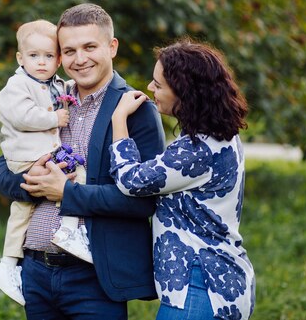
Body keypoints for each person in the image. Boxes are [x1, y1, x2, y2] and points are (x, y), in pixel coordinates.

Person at [0, 3, 166, 319]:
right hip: (36, 272)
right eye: (68, 50)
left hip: (94, 278)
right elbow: (0, 169)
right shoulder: (50, 99)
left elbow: (143, 202)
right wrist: (34, 185)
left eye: (89, 47)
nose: (79, 59)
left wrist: (67, 194)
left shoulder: (135, 109)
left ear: (112, 47)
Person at [109, 36, 255, 320]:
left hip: (200, 286)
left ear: (185, 92)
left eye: (159, 84)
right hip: (218, 282)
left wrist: (118, 120)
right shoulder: (221, 135)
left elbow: (131, 180)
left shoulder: (197, 150)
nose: (151, 88)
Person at [0, 19, 91, 307]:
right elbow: (23, 115)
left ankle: (68, 231)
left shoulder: (55, 83)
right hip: (25, 157)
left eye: (49, 56)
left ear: (58, 59)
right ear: (21, 58)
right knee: (26, 206)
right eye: (34, 56)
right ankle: (9, 263)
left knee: (71, 180)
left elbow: (64, 93)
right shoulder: (15, 85)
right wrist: (54, 119)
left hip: (46, 153)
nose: (42, 62)